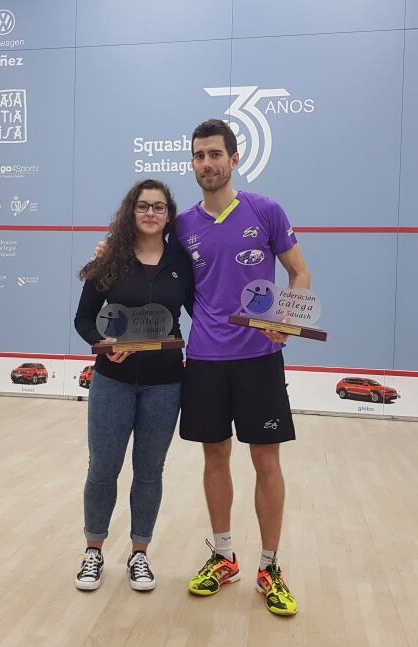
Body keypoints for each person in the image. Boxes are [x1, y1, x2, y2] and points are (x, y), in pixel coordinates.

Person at [175, 119, 310, 616]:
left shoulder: (265, 211)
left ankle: (270, 566)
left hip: (259, 360)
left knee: (267, 464)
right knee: (214, 460)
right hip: (206, 360)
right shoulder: (182, 225)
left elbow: (299, 272)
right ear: (192, 164)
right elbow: (160, 275)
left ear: (234, 159)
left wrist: (286, 322)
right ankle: (225, 556)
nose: (207, 163)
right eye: (198, 155)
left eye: (215, 154)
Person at [73, 178, 193, 592]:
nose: (150, 214)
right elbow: (84, 318)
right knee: (103, 469)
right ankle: (93, 552)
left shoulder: (182, 262)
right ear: (131, 211)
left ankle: (139, 555)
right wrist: (102, 345)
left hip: (165, 384)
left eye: (159, 208)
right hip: (113, 382)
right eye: (143, 206)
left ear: (169, 216)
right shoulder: (110, 259)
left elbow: (203, 311)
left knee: (149, 472)